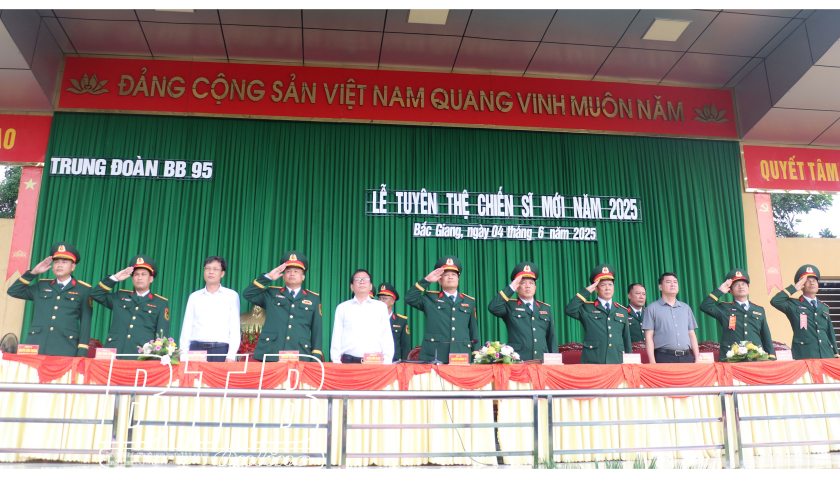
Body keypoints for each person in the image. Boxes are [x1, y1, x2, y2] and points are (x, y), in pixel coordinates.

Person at [8, 242, 92, 357]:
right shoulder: (42, 286)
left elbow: (86, 323)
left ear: (73, 266)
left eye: (64, 262)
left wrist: (82, 352)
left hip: (65, 348)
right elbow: (14, 291)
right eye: (56, 262)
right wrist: (33, 272)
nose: (59, 265)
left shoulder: (83, 290)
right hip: (35, 346)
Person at [243, 250, 323, 362]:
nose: (292, 274)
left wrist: (316, 357)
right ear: (283, 276)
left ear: (303, 277)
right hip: (271, 352)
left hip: (300, 353)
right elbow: (248, 294)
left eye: (296, 271)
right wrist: (268, 277)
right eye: (288, 271)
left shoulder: (313, 299)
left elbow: (317, 330)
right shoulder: (271, 294)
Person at [405, 256, 480, 364]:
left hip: (461, 354)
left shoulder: (469, 301)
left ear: (458, 279)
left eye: (454, 275)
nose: (450, 277)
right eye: (446, 275)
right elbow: (409, 298)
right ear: (439, 281)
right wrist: (426, 280)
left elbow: (473, 330)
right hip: (435, 354)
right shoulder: (430, 299)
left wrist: (475, 354)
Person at [91, 255, 170, 356]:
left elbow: (161, 337)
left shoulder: (160, 303)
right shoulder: (120, 297)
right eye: (136, 274)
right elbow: (96, 294)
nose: (139, 278)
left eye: (143, 274)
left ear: (151, 279)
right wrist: (115, 278)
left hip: (140, 356)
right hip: (114, 353)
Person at [488, 262, 557, 362]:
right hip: (518, 361)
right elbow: (493, 307)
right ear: (517, 288)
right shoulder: (510, 306)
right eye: (523, 283)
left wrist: (554, 361)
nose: (528, 286)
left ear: (535, 287)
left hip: (541, 360)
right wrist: (510, 288)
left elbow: (551, 337)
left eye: (531, 283)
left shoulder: (545, 308)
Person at [700, 269, 775, 361]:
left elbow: (766, 335)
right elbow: (705, 306)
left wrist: (771, 356)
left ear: (748, 289)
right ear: (731, 291)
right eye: (736, 285)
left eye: (744, 284)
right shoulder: (724, 308)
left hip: (756, 357)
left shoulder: (759, 310)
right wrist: (720, 290)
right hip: (731, 358)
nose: (741, 287)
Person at [564, 263, 631, 364]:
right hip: (593, 361)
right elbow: (570, 310)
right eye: (603, 285)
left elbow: (626, 339)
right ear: (596, 288)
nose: (607, 288)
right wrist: (587, 291)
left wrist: (629, 363)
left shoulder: (622, 310)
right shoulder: (587, 308)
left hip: (616, 361)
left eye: (610, 284)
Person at [179, 256, 241, 362]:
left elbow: (234, 328)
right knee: (195, 374)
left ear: (222, 273)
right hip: (197, 349)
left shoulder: (231, 296)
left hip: (221, 349)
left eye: (215, 269)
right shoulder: (194, 296)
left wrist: (231, 355)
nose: (211, 272)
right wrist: (183, 355)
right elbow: (187, 327)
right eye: (207, 268)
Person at [771, 264, 839, 359]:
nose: (812, 283)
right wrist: (794, 288)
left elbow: (830, 333)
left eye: (814, 281)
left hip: (826, 354)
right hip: (805, 354)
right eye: (807, 281)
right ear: (801, 285)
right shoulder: (794, 305)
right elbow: (775, 301)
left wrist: (836, 354)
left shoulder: (824, 307)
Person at [330, 270, 394, 363]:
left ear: (371, 286)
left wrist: (387, 361)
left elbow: (386, 336)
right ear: (352, 286)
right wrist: (336, 361)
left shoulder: (381, 307)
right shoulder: (342, 307)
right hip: (349, 362)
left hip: (374, 361)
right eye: (357, 279)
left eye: (366, 279)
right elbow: (337, 336)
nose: (362, 282)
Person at [643, 272, 699, 364]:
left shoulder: (685, 308)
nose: (673, 284)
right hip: (663, 357)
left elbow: (692, 334)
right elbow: (648, 337)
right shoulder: (652, 308)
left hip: (686, 357)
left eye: (675, 282)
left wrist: (697, 358)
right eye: (668, 282)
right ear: (660, 287)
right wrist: (652, 361)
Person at [377, 282, 411, 361]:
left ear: (392, 301)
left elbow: (405, 345)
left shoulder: (401, 321)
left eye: (384, 298)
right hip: (376, 360)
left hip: (395, 361)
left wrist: (404, 363)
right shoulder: (373, 319)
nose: (381, 301)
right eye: (379, 298)